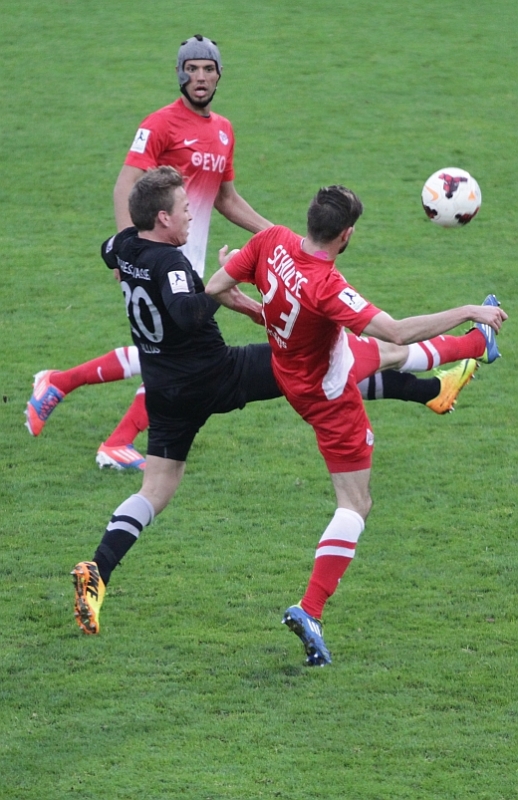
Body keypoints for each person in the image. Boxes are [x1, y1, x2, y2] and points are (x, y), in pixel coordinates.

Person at [71, 167, 503, 641]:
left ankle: (99, 569)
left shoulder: (126, 246)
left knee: (156, 489)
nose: (192, 213)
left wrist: (247, 298)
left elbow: (110, 251)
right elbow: (188, 309)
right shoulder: (174, 263)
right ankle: (452, 367)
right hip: (217, 375)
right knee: (322, 362)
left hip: (163, 388)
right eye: (184, 208)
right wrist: (221, 295)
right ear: (161, 218)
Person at [24, 35, 479, 464]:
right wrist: (132, 252)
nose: (200, 77)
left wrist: (285, 240)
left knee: (168, 354)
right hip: (162, 260)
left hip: (189, 263)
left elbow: (225, 198)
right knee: (181, 359)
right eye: (191, 69)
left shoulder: (223, 131)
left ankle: (65, 388)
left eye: (208, 69)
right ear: (179, 74)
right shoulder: (159, 124)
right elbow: (125, 184)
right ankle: (106, 431)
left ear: (219, 75)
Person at [205, 184, 507, 666]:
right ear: (346, 235)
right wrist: (468, 308)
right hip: (327, 394)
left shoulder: (270, 240)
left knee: (385, 355)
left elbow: (215, 288)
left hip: (297, 366)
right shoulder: (326, 287)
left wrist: (262, 313)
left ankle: (477, 345)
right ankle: (310, 610)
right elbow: (399, 328)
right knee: (355, 503)